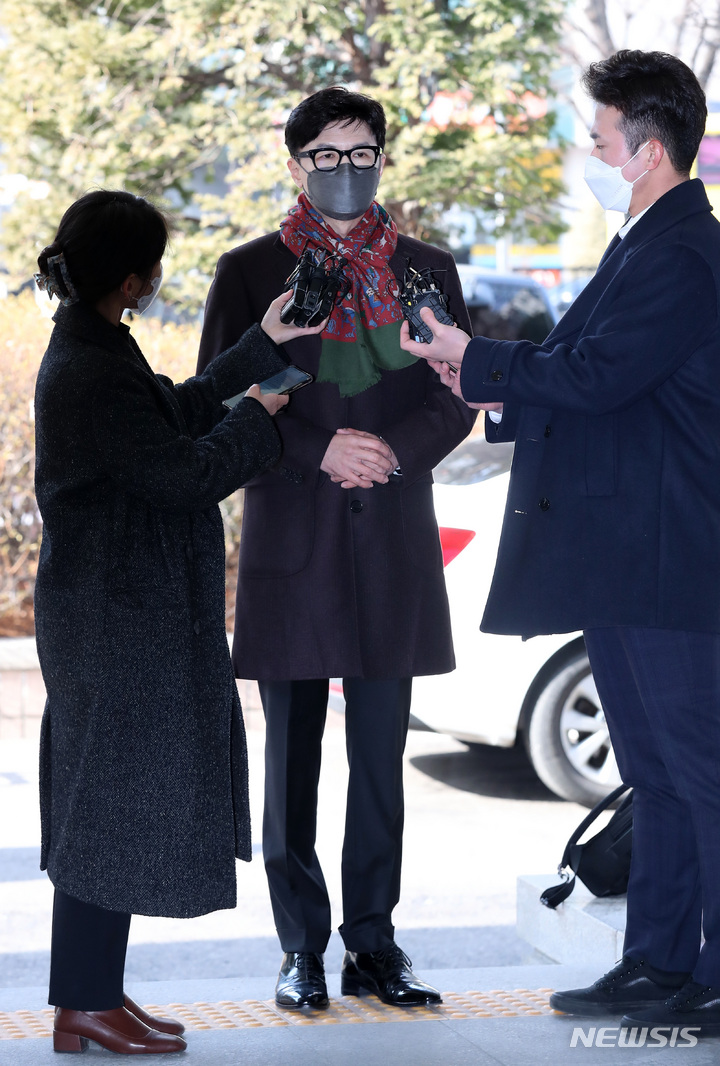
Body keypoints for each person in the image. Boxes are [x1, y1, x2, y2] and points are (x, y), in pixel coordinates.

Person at [399, 49, 720, 1037]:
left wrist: (471, 357)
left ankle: (706, 973)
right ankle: (660, 961)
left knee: (697, 775)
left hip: (669, 556)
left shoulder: (679, 254)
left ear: (647, 149)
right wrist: (482, 379)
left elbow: (596, 374)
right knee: (656, 775)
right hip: (628, 550)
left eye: (599, 139)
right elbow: (587, 371)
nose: (589, 153)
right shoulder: (645, 239)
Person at [197, 86, 475, 1010]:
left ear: (384, 161)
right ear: (297, 165)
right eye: (328, 156)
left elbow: (453, 389)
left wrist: (394, 450)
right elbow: (224, 401)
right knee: (293, 765)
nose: (346, 171)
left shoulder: (427, 268)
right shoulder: (247, 273)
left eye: (363, 154)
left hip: (393, 541)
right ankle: (299, 947)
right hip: (297, 545)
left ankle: (376, 945)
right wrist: (322, 448)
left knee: (383, 766)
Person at [33, 189, 326, 1055]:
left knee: (106, 802)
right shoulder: (88, 367)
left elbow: (173, 413)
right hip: (114, 620)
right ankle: (85, 1002)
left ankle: (92, 997)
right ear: (131, 278)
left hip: (111, 615)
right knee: (105, 808)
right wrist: (258, 417)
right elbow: (183, 476)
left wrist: (260, 347)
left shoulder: (92, 346)